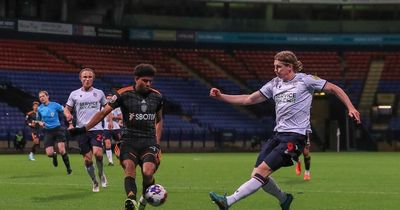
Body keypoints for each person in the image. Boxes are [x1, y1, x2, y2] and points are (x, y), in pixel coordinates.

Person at [208, 50, 361, 210]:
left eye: (278, 67)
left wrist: (351, 107)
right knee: (257, 175)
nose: (275, 70)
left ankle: (228, 201)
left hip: (295, 137)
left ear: (290, 66)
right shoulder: (274, 84)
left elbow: (335, 88)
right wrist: (221, 96)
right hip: (278, 135)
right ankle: (284, 199)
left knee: (261, 172)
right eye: (274, 66)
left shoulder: (306, 80)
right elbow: (249, 99)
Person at [69, 64, 163, 210]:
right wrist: (84, 128)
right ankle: (131, 201)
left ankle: (144, 201)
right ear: (136, 79)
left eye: (151, 81)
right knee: (129, 167)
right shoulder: (122, 94)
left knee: (147, 172)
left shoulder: (157, 96)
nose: (148, 84)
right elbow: (102, 113)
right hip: (129, 140)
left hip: (149, 141)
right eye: (145, 80)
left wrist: (157, 142)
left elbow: (159, 120)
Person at [64, 67, 108, 192]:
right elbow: (67, 108)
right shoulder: (74, 94)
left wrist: (109, 121)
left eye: (90, 77)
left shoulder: (99, 93)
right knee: (88, 160)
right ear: (80, 79)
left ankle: (101, 174)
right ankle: (94, 182)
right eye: (85, 77)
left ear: (93, 78)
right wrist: (68, 115)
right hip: (81, 130)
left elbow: (107, 108)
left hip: (96, 128)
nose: (87, 79)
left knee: (98, 154)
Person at [36, 90, 72, 175]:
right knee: (49, 154)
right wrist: (40, 122)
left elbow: (64, 110)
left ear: (47, 96)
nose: (42, 98)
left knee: (62, 150)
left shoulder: (55, 105)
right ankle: (54, 155)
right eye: (40, 97)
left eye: (43, 96)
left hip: (58, 129)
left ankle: (68, 169)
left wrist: (67, 116)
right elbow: (38, 119)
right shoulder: (39, 108)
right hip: (48, 131)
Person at [103, 93, 123, 166]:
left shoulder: (116, 107)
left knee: (120, 144)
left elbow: (121, 117)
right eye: (107, 98)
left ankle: (121, 158)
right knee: (108, 144)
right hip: (106, 128)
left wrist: (113, 118)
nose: (108, 99)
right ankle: (110, 161)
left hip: (116, 128)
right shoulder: (103, 107)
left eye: (110, 98)